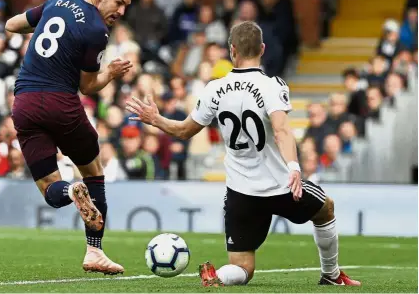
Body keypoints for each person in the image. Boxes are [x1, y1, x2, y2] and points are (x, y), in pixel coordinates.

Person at [126, 21, 361, 287]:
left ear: (232, 50)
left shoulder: (214, 88)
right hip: (280, 185)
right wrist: (294, 166)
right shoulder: (272, 85)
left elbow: (183, 131)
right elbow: (282, 130)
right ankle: (331, 275)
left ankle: (219, 276)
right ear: (262, 49)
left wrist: (156, 119)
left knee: (243, 267)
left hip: (241, 192)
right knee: (325, 209)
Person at [4, 0, 137, 275]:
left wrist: (42, 31)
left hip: (23, 103)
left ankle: (70, 191)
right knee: (94, 172)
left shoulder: (56, 3)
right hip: (60, 103)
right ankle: (95, 250)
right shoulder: (95, 30)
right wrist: (112, 73)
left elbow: (12, 25)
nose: (121, 11)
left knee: (51, 188)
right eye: (119, 2)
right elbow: (88, 87)